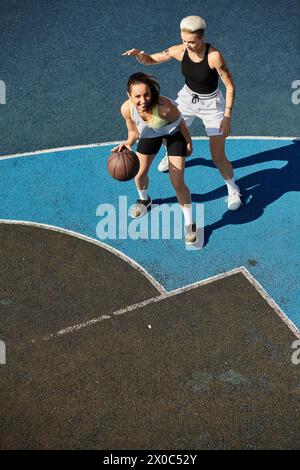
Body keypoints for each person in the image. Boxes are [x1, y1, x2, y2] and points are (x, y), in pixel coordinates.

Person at [122, 15, 242, 211]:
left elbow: (230, 87)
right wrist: (139, 56)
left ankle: (233, 189)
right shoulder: (180, 50)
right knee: (161, 126)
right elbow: (151, 59)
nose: (187, 45)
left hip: (212, 105)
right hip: (187, 99)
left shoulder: (214, 57)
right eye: (184, 40)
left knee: (217, 156)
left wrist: (227, 116)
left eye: (192, 42)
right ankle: (172, 154)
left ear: (202, 38)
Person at [112, 72, 197, 244]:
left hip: (173, 134)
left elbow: (181, 124)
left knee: (177, 182)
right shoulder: (126, 109)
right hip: (150, 133)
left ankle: (190, 223)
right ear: (129, 95)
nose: (143, 100)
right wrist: (128, 142)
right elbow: (133, 132)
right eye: (137, 96)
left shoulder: (165, 107)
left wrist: (188, 143)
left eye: (146, 94)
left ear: (151, 93)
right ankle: (145, 200)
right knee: (139, 173)